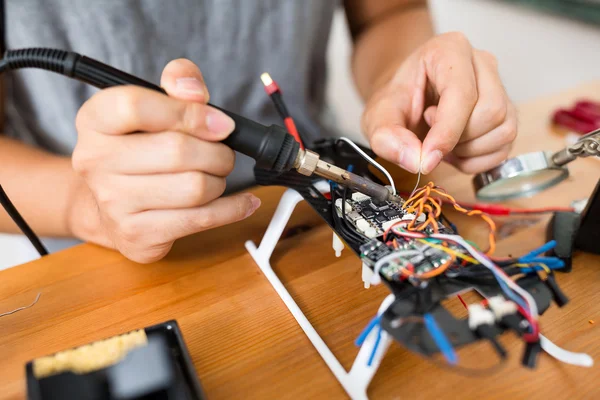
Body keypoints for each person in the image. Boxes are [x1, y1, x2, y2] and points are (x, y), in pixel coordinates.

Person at [1, 1, 516, 263]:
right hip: (106, 251)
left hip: (317, 209)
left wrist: (400, 83)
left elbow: (390, 11)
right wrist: (84, 206)